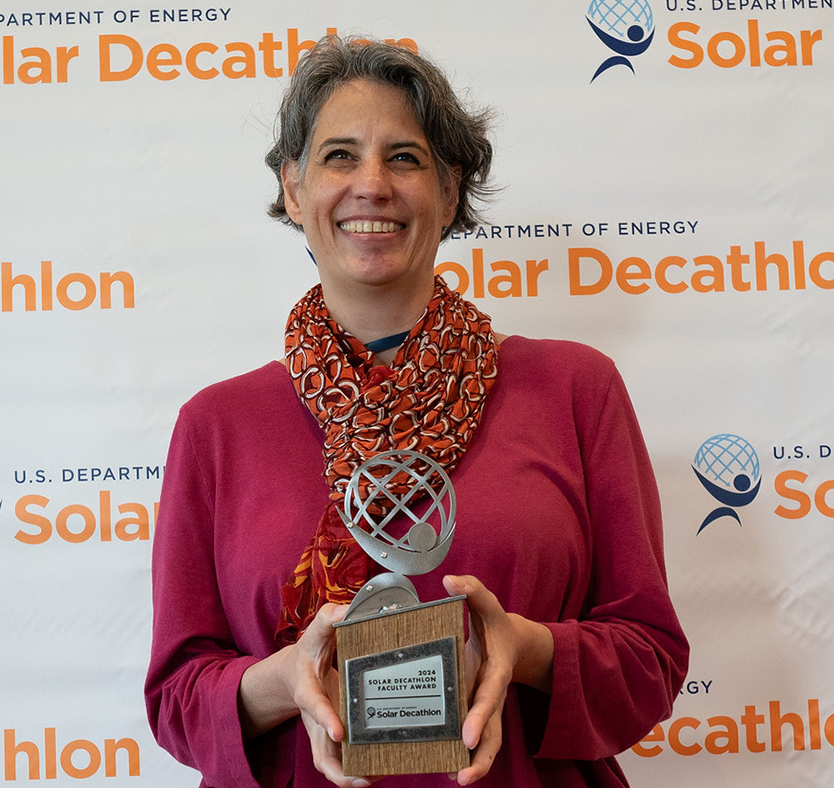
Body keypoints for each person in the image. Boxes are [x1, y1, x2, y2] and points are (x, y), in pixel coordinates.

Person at [145, 36, 688, 788]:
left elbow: (649, 661)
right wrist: (283, 682)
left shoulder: (573, 389)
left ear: (451, 189)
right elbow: (174, 700)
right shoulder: (218, 424)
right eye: (339, 156)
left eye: (404, 157)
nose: (372, 184)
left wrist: (524, 648)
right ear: (294, 188)